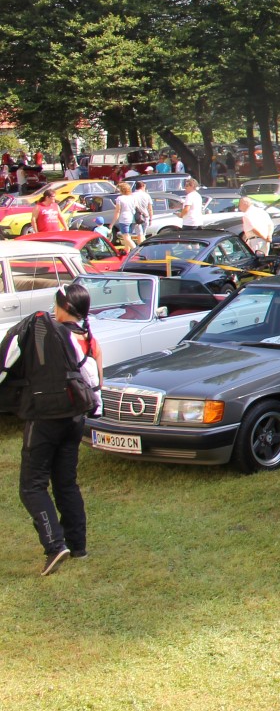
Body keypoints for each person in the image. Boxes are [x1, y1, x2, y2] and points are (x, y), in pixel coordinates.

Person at [2, 283, 101, 574]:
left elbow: (6, 364)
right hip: (74, 420)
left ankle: (55, 545)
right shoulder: (88, 339)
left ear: (63, 308)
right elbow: (94, 381)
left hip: (45, 419)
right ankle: (78, 546)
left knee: (31, 487)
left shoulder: (45, 331)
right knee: (66, 483)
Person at [112, 182, 139, 254]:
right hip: (132, 219)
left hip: (124, 219)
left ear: (121, 190)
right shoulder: (132, 197)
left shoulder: (120, 198)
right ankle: (127, 251)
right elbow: (136, 207)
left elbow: (117, 211)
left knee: (126, 237)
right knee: (128, 236)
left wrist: (112, 224)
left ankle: (137, 251)